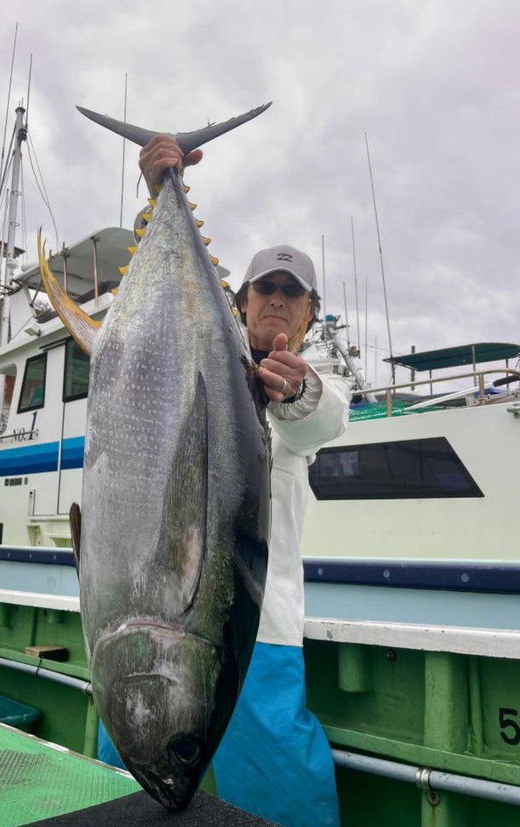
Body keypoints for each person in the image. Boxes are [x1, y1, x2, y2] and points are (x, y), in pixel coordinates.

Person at [98, 135, 350, 827]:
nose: (275, 300)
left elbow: (321, 419)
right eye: (264, 288)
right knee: (116, 790)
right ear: (239, 301)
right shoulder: (205, 350)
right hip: (139, 615)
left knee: (277, 803)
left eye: (290, 293)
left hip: (258, 632)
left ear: (309, 314)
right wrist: (160, 194)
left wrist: (295, 392)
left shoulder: (314, 382)